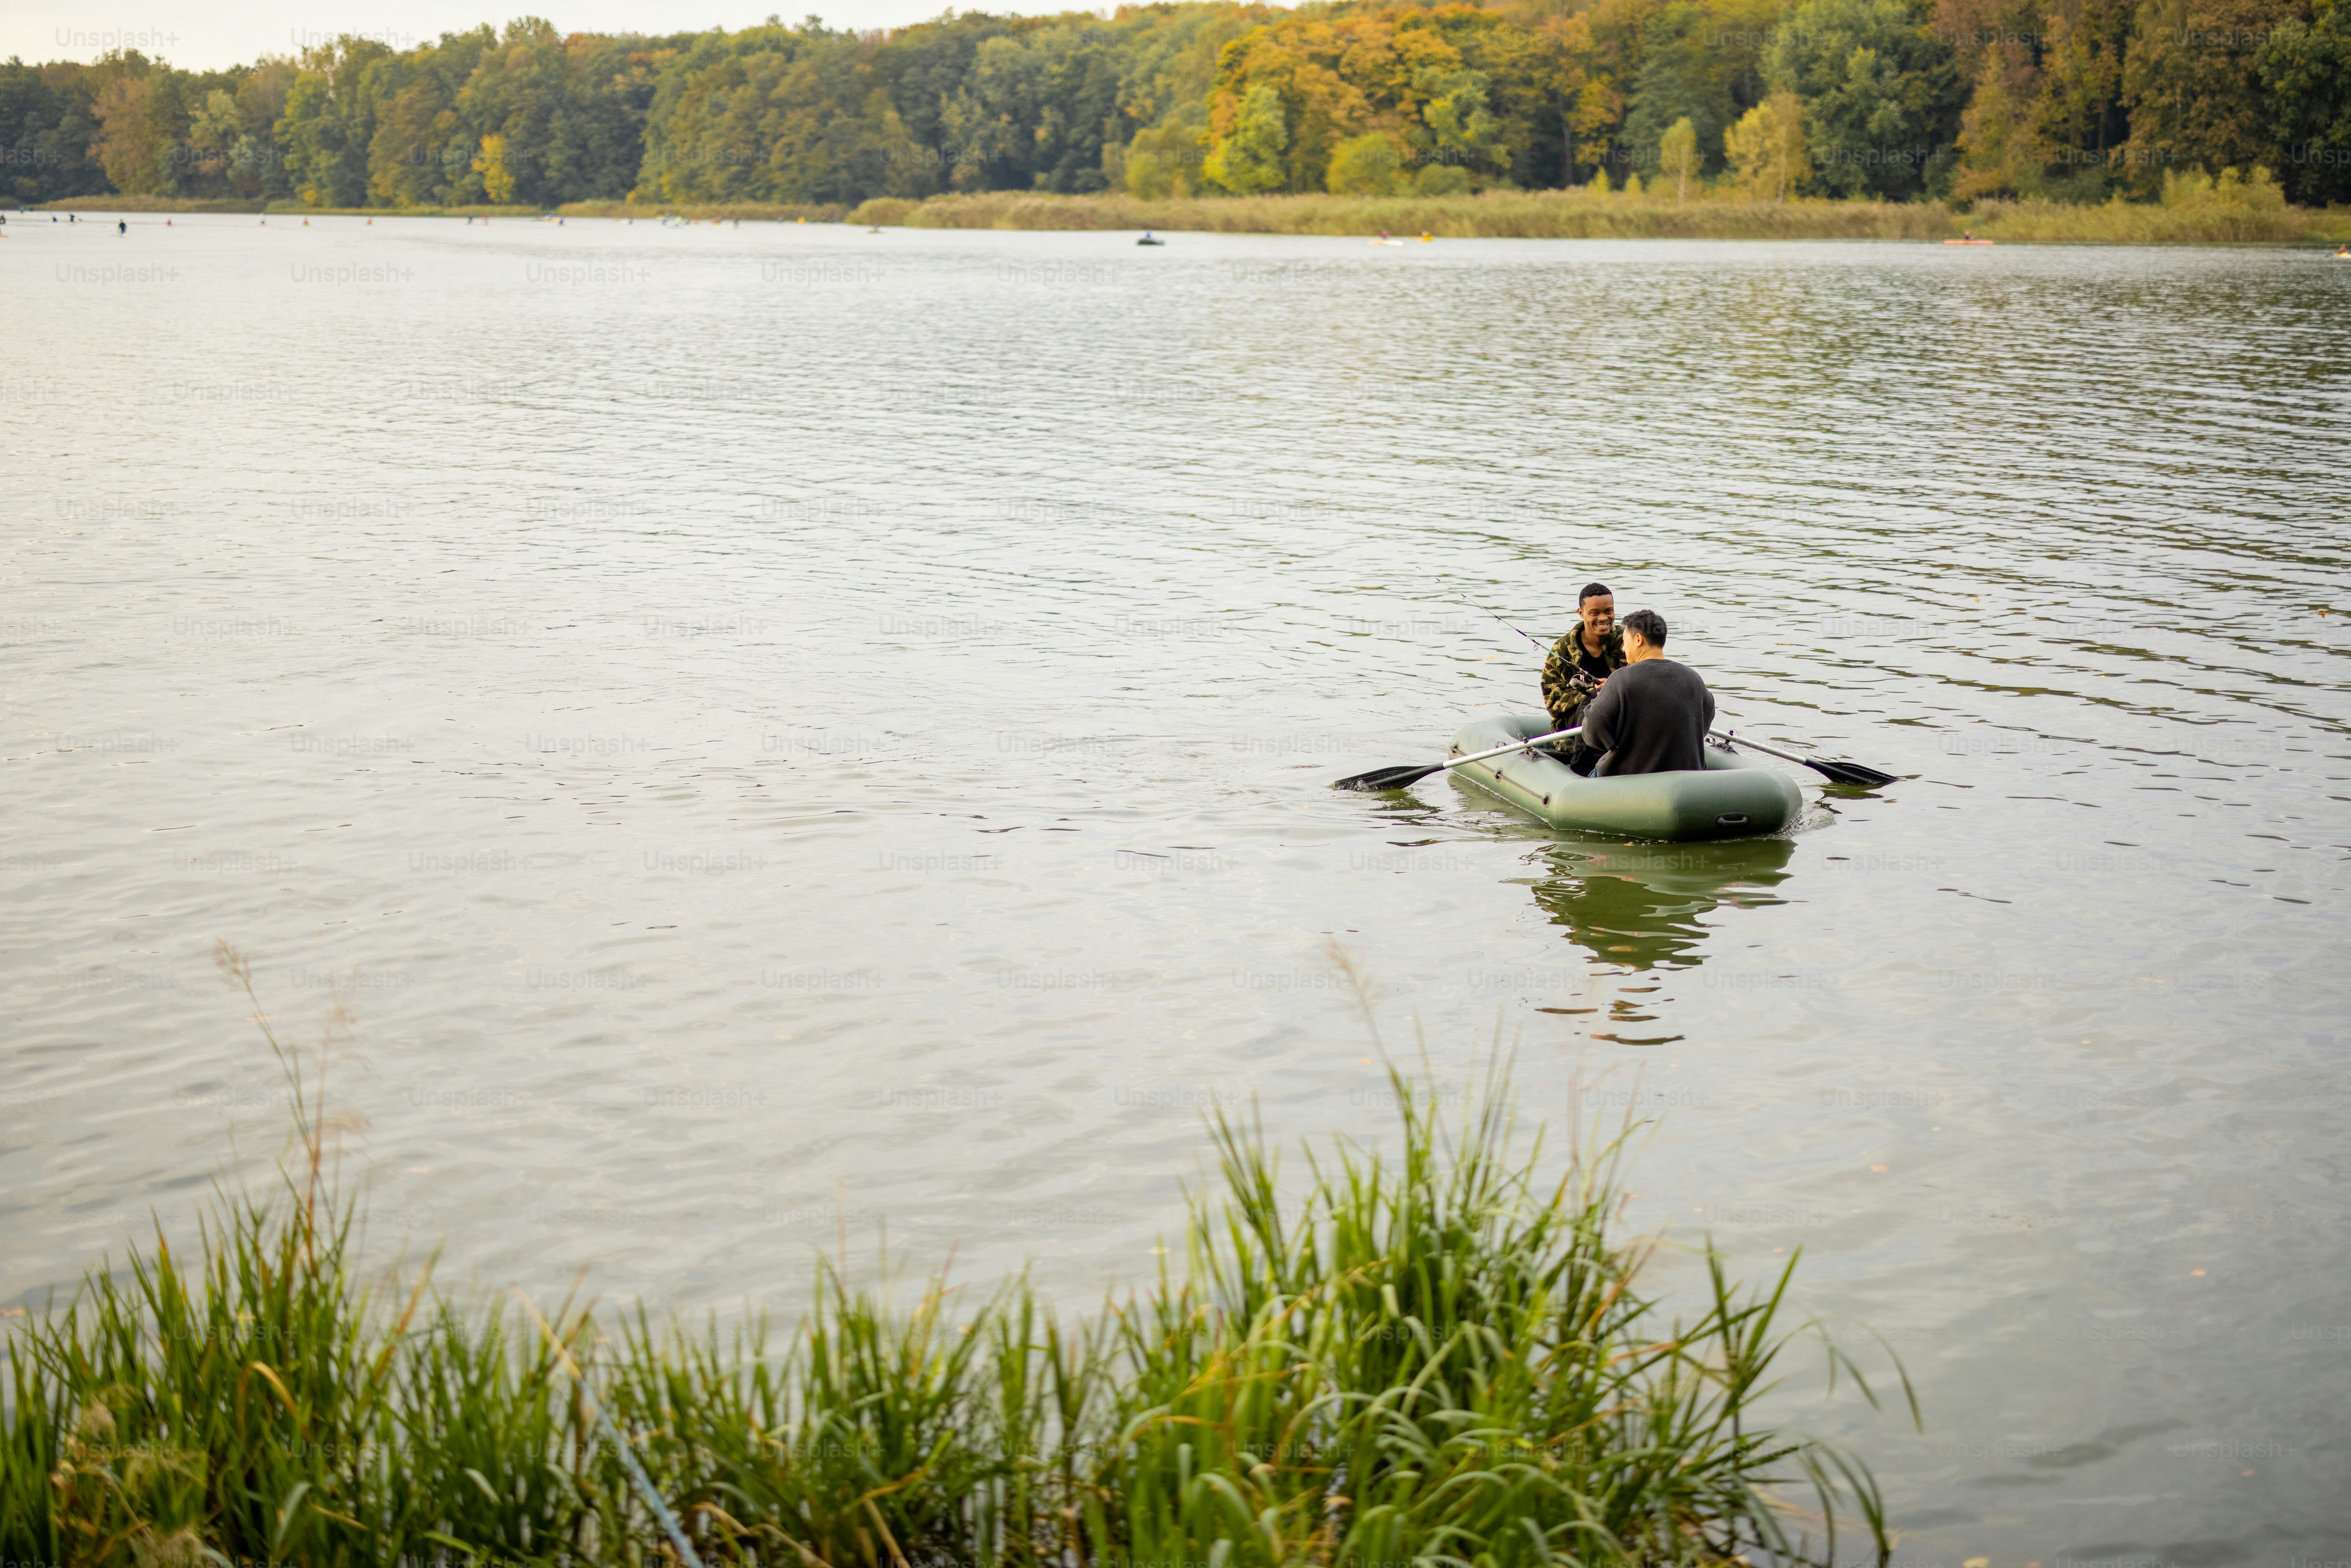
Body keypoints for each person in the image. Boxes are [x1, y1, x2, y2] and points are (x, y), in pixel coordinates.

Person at [1575, 608, 1714, 775]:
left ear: (1639, 640)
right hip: (1687, 783)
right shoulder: (1695, 679)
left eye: (1625, 641)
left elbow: (1593, 735)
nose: (1624, 648)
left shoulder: (1620, 679)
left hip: (1631, 785)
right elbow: (1704, 725)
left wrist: (1597, 699)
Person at [1540, 582, 1625, 775]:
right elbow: (1553, 704)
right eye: (1595, 613)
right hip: (1577, 721)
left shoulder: (1626, 640)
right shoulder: (1561, 650)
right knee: (1592, 701)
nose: (1603, 618)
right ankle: (1581, 769)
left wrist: (1613, 688)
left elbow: (1641, 677)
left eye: (1609, 611)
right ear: (1581, 613)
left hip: (1620, 712)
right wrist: (1593, 693)